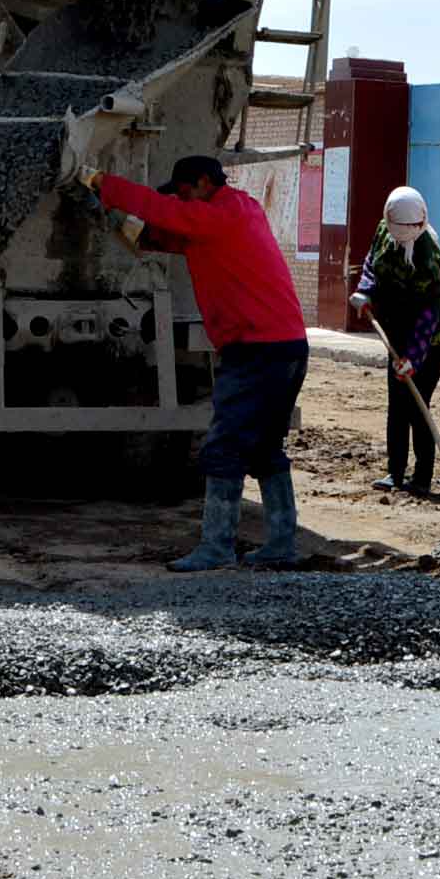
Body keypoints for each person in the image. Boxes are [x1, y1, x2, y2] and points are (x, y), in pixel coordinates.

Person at [80, 147, 311, 571]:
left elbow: (166, 214)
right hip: (284, 346)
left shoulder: (222, 214)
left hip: (257, 349)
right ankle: (280, 544)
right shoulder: (234, 215)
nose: (180, 201)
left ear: (205, 185)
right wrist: (121, 225)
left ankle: (217, 547)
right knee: (263, 447)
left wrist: (101, 183)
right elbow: (166, 236)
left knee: (224, 445)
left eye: (184, 193)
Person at [348, 186, 440, 498]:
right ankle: (394, 472)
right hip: (396, 328)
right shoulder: (384, 230)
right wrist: (365, 292)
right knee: (397, 403)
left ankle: (421, 478)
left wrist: (414, 357)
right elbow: (372, 263)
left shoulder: (427, 254)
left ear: (420, 224)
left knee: (417, 404)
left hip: (430, 339)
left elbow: (428, 313)